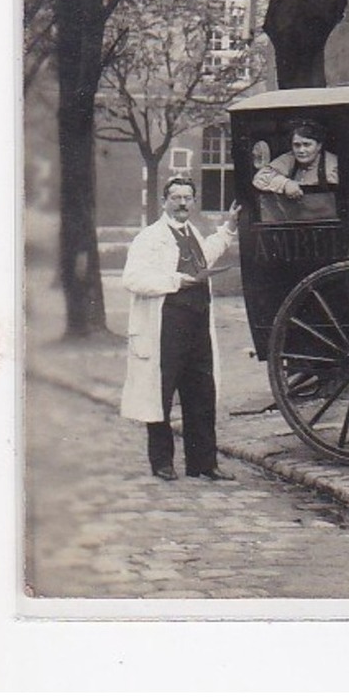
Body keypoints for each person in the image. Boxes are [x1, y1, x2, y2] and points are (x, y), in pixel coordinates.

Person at [120, 177, 240, 481]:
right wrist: (175, 281)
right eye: (176, 198)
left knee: (201, 392)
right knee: (160, 394)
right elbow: (132, 279)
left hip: (197, 325)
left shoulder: (193, 233)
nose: (183, 203)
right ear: (164, 202)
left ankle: (203, 463)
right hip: (166, 326)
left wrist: (229, 228)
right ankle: (162, 462)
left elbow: (206, 256)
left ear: (194, 201)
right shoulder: (149, 238)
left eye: (188, 197)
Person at [252, 120, 339, 198]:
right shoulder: (290, 158)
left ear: (319, 146)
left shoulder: (334, 166)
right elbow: (260, 178)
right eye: (297, 145)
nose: (301, 150)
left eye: (307, 145)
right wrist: (285, 184)